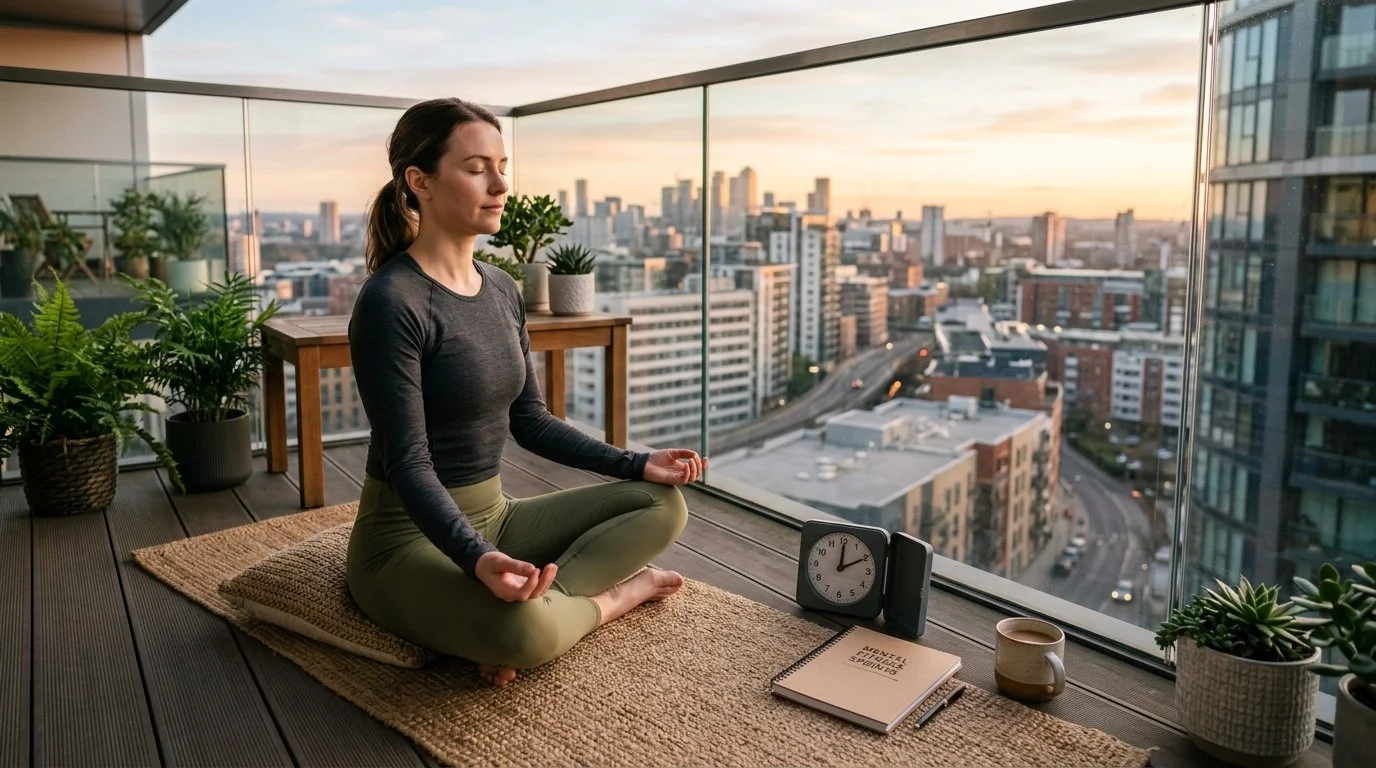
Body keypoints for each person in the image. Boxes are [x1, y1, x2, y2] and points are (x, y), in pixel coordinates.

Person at [345, 97, 707, 688]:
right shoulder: (392, 302)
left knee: (660, 503)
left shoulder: (503, 288)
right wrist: (478, 558)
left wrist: (637, 462)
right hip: (404, 537)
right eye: (475, 168)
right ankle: (611, 601)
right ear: (420, 182)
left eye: (502, 165)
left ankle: (530, 606)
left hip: (498, 514)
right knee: (525, 637)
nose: (500, 184)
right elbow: (409, 464)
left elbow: (530, 420)